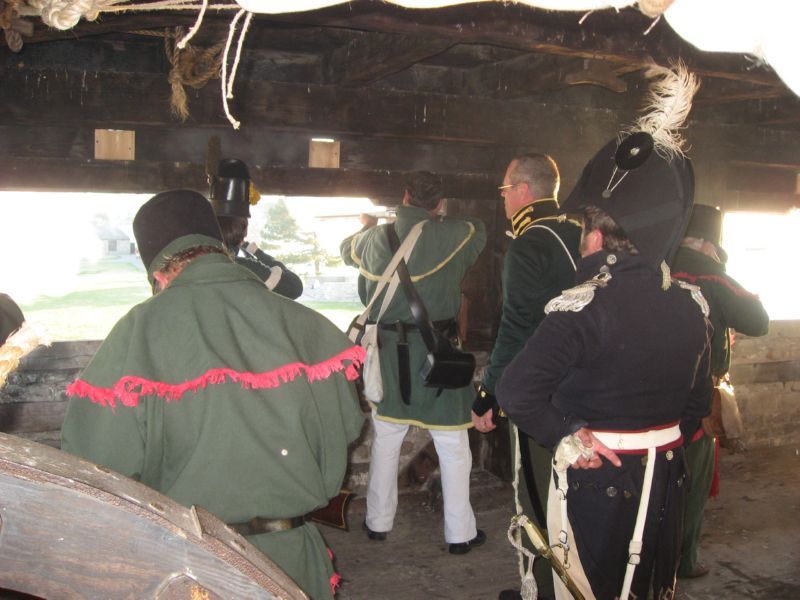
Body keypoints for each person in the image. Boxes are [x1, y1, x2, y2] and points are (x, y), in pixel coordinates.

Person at [62, 190, 365, 600]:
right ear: (219, 249)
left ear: (159, 275)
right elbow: (344, 428)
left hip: (191, 568)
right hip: (292, 565)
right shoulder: (307, 325)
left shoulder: (140, 331)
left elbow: (95, 463)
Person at [497, 63, 712, 600]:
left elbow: (515, 391)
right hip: (664, 480)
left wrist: (568, 434)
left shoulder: (580, 308)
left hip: (597, 480)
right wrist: (656, 438)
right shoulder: (691, 306)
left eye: (585, 227)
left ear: (595, 237)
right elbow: (697, 403)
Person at [340, 171, 487, 554]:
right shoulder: (452, 233)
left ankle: (378, 522)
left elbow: (345, 249)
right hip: (438, 353)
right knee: (453, 446)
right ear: (439, 203)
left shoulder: (372, 238)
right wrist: (435, 218)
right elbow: (478, 229)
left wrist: (373, 225)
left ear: (404, 196)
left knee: (386, 440)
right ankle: (459, 534)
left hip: (389, 357)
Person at [470, 154, 580, 600]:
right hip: (584, 387)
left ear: (522, 191)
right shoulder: (579, 233)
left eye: (504, 190)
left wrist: (488, 392)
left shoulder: (529, 243)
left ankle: (545, 590)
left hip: (544, 392)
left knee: (538, 496)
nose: (503, 199)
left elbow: (516, 328)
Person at [671, 204, 769, 579]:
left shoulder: (656, 266)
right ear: (708, 242)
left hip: (654, 393)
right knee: (692, 482)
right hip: (697, 397)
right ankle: (683, 560)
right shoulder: (712, 274)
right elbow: (758, 322)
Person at [210, 158, 304, 299]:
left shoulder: (196, 259)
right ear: (243, 228)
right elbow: (294, 287)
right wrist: (256, 252)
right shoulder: (244, 267)